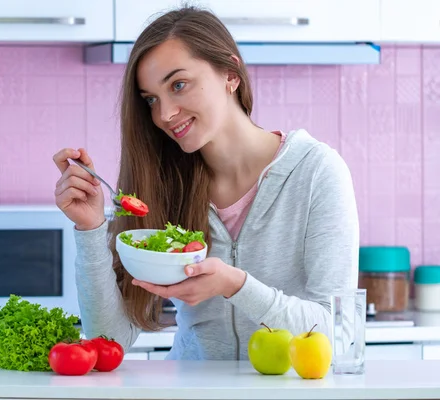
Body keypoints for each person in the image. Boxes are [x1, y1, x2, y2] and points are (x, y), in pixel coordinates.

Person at [52, 6, 359, 360]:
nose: (164, 114)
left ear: (230, 74)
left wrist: (236, 285)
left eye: (178, 85)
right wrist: (90, 229)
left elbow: (338, 335)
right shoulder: (164, 181)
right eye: (151, 99)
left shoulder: (317, 172)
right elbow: (112, 339)